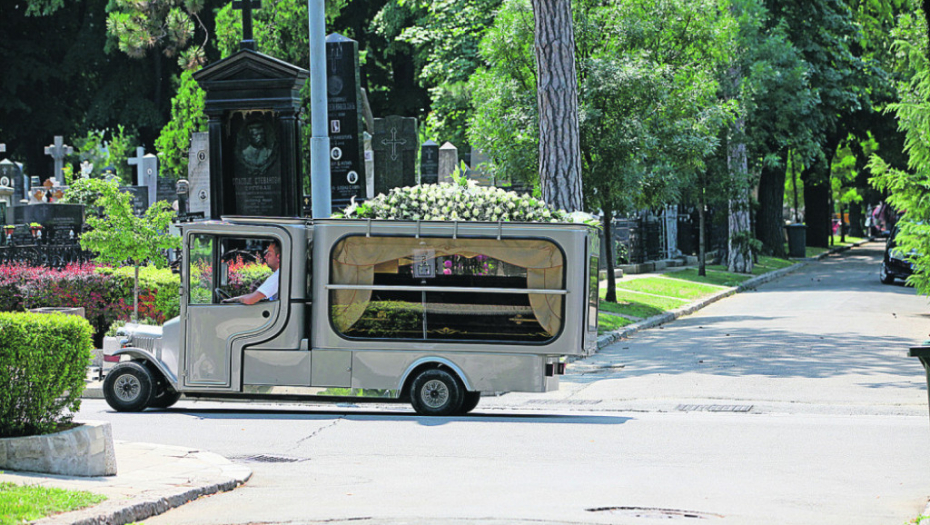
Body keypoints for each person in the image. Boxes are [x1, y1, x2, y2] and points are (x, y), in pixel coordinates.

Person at [225, 240, 280, 304]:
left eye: (269, 254)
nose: (265, 257)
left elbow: (249, 300)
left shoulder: (278, 276)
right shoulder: (280, 274)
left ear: (278, 257)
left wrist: (229, 301)